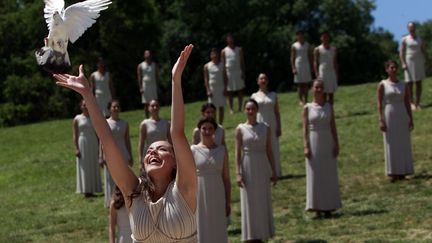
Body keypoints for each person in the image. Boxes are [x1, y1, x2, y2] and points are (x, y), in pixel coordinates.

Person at [53, 44, 197, 242]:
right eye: (149, 150)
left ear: (175, 161)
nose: (152, 152)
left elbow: (177, 133)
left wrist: (175, 80)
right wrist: (87, 94)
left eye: (162, 149)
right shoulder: (133, 191)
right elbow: (108, 141)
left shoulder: (185, 188)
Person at [235, 99, 277, 242]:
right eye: (248, 109)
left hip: (262, 165)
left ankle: (263, 232)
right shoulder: (240, 129)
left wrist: (274, 170)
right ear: (245, 111)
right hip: (247, 165)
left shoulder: (265, 128)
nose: (250, 111)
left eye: (253, 109)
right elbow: (237, 153)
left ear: (257, 110)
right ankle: (251, 235)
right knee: (250, 200)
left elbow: (269, 150)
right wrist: (238, 173)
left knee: (262, 198)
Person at [302, 80, 342, 218]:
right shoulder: (307, 107)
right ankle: (317, 206)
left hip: (327, 142)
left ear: (324, 90)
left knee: (328, 173)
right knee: (316, 174)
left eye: (321, 87)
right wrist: (306, 145)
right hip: (313, 142)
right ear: (312, 89)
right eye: (316, 87)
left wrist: (336, 143)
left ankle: (329, 206)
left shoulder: (329, 107)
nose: (318, 90)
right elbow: (305, 129)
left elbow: (333, 127)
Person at [192, 117, 231, 243]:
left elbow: (226, 178)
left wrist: (228, 202)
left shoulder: (222, 150)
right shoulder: (193, 150)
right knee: (201, 225)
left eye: (210, 128)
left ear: (215, 131)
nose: (207, 131)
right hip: (199, 194)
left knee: (217, 224)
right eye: (204, 128)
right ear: (199, 130)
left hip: (217, 193)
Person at [377, 60, 414, 182]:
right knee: (391, 143)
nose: (393, 70)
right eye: (391, 68)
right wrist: (381, 119)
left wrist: (410, 119)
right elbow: (379, 104)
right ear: (387, 70)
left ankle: (403, 170)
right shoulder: (383, 84)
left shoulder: (404, 84)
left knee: (403, 142)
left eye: (395, 68)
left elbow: (407, 102)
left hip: (402, 114)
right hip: (389, 113)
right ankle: (393, 172)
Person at [101, 99, 133, 208]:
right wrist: (101, 155)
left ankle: (124, 199)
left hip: (123, 151)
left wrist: (130, 155)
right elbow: (102, 140)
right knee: (111, 178)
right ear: (109, 109)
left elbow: (127, 140)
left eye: (117, 107)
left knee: (123, 176)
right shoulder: (106, 123)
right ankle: (111, 201)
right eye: (114, 107)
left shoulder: (124, 123)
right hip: (110, 153)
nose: (116, 109)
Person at [251, 73, 282, 178]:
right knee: (262, 146)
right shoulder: (254, 96)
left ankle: (275, 171)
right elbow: (251, 112)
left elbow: (277, 112)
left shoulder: (273, 95)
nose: (263, 80)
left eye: (265, 78)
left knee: (273, 146)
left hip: (272, 122)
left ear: (267, 81)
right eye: (261, 78)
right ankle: (264, 172)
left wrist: (279, 126)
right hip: (259, 122)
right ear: (258, 81)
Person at [72, 100, 102, 197]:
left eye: (86, 105)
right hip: (82, 143)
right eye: (83, 105)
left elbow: (98, 134)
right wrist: (76, 148)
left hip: (93, 143)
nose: (85, 107)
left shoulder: (93, 117)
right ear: (81, 106)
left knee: (92, 164)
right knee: (84, 166)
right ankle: (86, 190)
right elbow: (75, 135)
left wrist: (99, 148)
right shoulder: (77, 119)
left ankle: (93, 188)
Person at [399, 22, 427, 110]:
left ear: (415, 28)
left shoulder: (419, 39)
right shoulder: (405, 39)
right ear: (408, 29)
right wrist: (403, 63)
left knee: (418, 83)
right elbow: (401, 52)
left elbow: (423, 50)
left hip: (419, 61)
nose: (412, 30)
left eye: (413, 28)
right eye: (410, 28)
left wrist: (428, 60)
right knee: (409, 83)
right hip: (409, 62)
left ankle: (418, 103)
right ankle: (411, 103)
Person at [138, 99, 171, 164]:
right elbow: (141, 143)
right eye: (152, 106)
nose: (155, 107)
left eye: (157, 106)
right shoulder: (145, 124)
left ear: (159, 108)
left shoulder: (166, 123)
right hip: (150, 154)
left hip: (163, 154)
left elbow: (170, 142)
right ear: (148, 108)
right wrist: (141, 158)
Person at [221, 34, 246, 114]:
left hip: (238, 71)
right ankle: (231, 108)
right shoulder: (224, 51)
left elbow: (242, 62)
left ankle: (240, 107)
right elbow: (223, 64)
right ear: (227, 40)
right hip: (229, 72)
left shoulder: (239, 49)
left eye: (231, 38)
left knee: (240, 90)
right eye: (229, 39)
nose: (230, 40)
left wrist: (243, 72)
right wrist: (224, 75)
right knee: (230, 91)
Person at [314, 32, 338, 105]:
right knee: (323, 92)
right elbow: (315, 62)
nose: (325, 38)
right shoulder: (317, 49)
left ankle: (330, 110)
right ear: (321, 38)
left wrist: (336, 73)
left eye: (326, 37)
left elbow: (335, 62)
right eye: (323, 37)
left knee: (331, 93)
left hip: (331, 72)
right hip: (322, 72)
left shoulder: (333, 49)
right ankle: (324, 110)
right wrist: (316, 74)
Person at [204, 48, 226, 124]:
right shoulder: (207, 66)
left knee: (221, 106)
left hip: (221, 87)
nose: (214, 55)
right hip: (212, 88)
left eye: (216, 54)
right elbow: (206, 79)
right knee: (212, 107)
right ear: (211, 56)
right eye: (213, 54)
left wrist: (225, 88)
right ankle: (214, 123)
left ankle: (220, 124)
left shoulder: (222, 65)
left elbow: (225, 77)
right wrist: (208, 90)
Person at [291, 30, 313, 105]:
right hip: (298, 65)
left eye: (301, 35)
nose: (300, 36)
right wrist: (293, 68)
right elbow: (292, 57)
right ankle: (300, 100)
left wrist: (311, 66)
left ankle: (306, 99)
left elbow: (310, 56)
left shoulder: (307, 45)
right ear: (297, 36)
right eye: (299, 35)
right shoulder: (294, 45)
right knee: (300, 84)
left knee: (306, 84)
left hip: (306, 65)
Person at [137, 50, 160, 117]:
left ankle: (155, 116)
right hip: (145, 85)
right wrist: (140, 87)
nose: (148, 56)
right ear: (144, 56)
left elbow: (157, 76)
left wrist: (157, 86)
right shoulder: (140, 65)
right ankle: (147, 117)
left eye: (149, 54)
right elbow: (139, 77)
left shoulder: (154, 65)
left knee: (154, 102)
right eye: (146, 54)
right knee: (146, 103)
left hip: (153, 85)